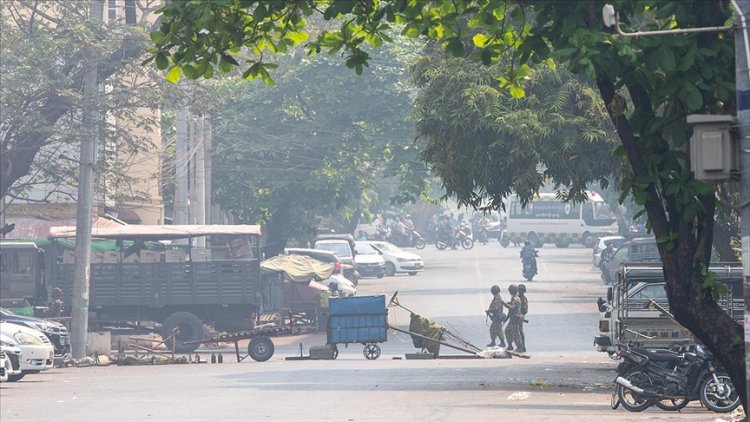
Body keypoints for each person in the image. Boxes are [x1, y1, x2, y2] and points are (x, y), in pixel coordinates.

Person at [503, 284, 523, 352]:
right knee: (507, 330)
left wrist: (505, 304)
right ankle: (510, 345)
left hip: (515, 318)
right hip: (513, 318)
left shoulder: (515, 299)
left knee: (515, 333)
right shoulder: (515, 298)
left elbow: (512, 308)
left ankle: (519, 347)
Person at [517, 284, 529, 353]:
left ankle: (522, 346)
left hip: (520, 317)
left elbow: (525, 310)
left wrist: (520, 315)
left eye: (521, 290)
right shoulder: (517, 298)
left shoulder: (523, 299)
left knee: (519, 332)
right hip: (517, 317)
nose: (520, 291)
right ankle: (522, 346)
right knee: (519, 331)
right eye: (519, 290)